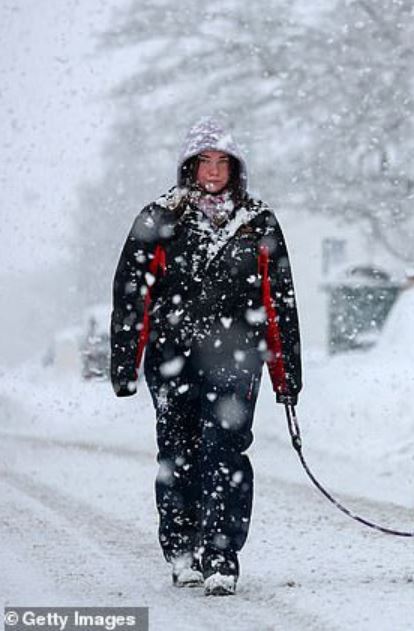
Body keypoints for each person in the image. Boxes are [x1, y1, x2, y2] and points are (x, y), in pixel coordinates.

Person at [110, 117, 301, 596]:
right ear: (189, 166)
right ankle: (181, 549)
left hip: (238, 359)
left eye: (222, 162)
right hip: (172, 357)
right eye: (204, 162)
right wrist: (124, 363)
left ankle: (221, 554)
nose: (213, 171)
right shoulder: (160, 218)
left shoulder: (258, 222)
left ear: (235, 168)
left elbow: (279, 302)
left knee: (225, 451)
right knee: (179, 452)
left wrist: (286, 374)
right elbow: (132, 294)